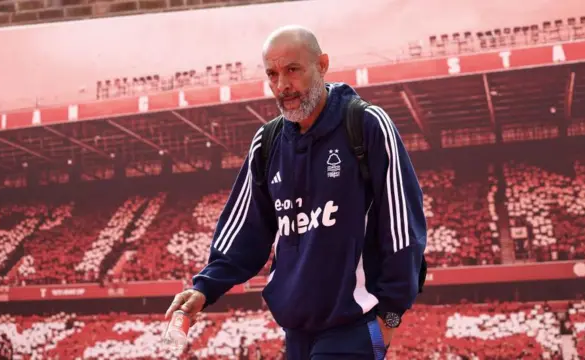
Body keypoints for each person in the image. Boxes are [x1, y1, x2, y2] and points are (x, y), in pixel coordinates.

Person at [166, 25, 427, 359]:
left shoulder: (367, 124)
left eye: (292, 70)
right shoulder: (267, 142)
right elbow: (245, 231)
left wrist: (388, 319)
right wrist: (204, 288)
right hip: (296, 332)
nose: (282, 86)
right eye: (272, 74)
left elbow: (403, 226)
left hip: (356, 327)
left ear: (322, 65)